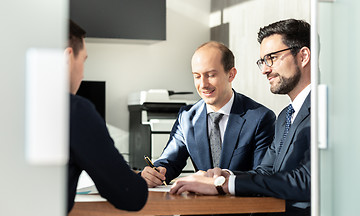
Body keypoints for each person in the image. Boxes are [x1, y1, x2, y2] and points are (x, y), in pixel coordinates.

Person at [170, 19, 311, 216]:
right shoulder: (284, 117)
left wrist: (224, 185)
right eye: (263, 61)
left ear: (303, 56)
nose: (265, 69)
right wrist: (223, 176)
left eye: (272, 58)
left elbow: (308, 180)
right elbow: (266, 172)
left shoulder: (327, 110)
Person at [141, 41, 276, 187]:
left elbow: (263, 174)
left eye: (210, 75)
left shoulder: (260, 118)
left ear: (231, 74)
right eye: (197, 76)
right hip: (200, 207)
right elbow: (170, 160)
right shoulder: (187, 117)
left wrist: (222, 179)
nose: (203, 84)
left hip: (242, 206)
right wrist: (156, 172)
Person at [67, 20, 148, 213]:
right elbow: (131, 196)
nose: (82, 74)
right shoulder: (74, 111)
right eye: (83, 60)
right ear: (68, 58)